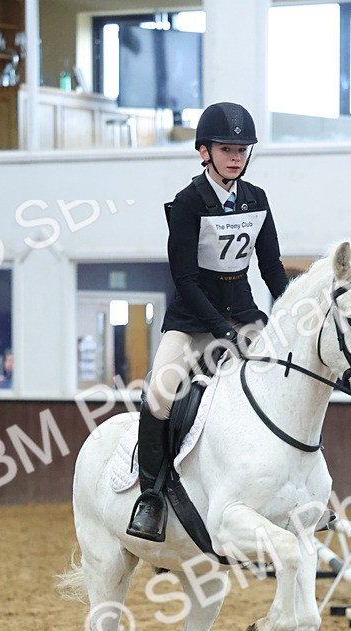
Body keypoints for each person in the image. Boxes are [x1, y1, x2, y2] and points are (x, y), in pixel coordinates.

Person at [126, 100, 290, 542]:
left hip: (244, 316)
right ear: (205, 152)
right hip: (192, 321)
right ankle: (152, 497)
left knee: (290, 386)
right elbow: (185, 279)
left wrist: (290, 309)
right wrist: (222, 331)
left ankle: (297, 490)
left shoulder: (257, 199)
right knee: (159, 395)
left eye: (242, 149)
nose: (235, 156)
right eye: (226, 148)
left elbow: (271, 266)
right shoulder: (187, 203)